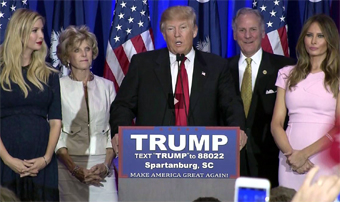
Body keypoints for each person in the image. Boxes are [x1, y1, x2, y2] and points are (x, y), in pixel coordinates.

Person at [110, 5, 247, 148]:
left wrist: (238, 128)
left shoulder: (216, 66)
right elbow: (122, 105)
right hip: (152, 152)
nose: (177, 34)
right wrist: (120, 131)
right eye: (170, 29)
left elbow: (231, 105)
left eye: (183, 27)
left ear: (194, 31)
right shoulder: (143, 65)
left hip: (202, 151)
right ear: (163, 34)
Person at [228, 7, 296, 187]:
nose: (248, 35)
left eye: (253, 29)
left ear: (263, 32)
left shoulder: (285, 68)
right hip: (232, 160)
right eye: (242, 30)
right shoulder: (221, 69)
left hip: (271, 158)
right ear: (234, 34)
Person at [271, 14, 340, 191]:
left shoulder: (337, 78)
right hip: (290, 158)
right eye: (309, 35)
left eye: (320, 36)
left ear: (330, 40)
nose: (313, 41)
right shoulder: (286, 74)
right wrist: (291, 155)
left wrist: (305, 154)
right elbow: (277, 123)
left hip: (325, 157)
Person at [0, 9, 61, 201]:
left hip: (41, 163)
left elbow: (56, 121)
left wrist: (46, 159)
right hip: (5, 160)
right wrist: (8, 160)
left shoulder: (49, 74)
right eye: (34, 30)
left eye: (42, 30)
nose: (41, 35)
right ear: (20, 32)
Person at [55, 25, 118, 202]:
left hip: (102, 165)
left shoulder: (107, 86)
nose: (84, 54)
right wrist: (73, 168)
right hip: (68, 165)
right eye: (77, 50)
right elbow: (55, 132)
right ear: (67, 56)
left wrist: (106, 165)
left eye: (87, 49)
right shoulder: (58, 87)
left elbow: (113, 130)